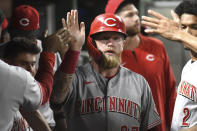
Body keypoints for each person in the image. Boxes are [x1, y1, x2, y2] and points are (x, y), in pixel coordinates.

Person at [50, 10, 161, 131]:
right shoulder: (76, 78)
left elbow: (151, 128)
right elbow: (57, 97)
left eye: (116, 38)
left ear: (123, 43)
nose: (110, 43)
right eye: (104, 38)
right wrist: (75, 50)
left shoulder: (139, 82)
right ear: (93, 43)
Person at [105, 0, 177, 131]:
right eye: (129, 15)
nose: (136, 18)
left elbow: (170, 90)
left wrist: (175, 126)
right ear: (114, 21)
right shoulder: (108, 55)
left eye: (136, 13)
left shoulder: (156, 46)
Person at [0, 26, 69, 131]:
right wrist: (49, 53)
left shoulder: (22, 93)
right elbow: (45, 92)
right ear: (7, 62)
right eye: (23, 63)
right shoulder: (14, 81)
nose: (31, 70)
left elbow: (34, 115)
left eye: (33, 64)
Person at [142, 0, 197, 131]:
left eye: (194, 26)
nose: (186, 32)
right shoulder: (190, 65)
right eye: (183, 27)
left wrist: (179, 34)